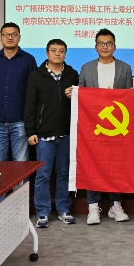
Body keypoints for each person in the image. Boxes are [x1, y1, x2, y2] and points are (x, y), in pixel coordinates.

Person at [74, 28, 133, 225]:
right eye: (101, 43)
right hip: (93, 126)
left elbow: (129, 98)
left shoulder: (125, 68)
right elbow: (81, 95)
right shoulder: (86, 68)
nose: (105, 47)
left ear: (115, 47)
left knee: (117, 166)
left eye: (109, 44)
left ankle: (116, 206)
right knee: (92, 165)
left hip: (118, 127)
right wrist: (73, 94)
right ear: (95, 47)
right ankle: (93, 207)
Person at [25, 39, 79, 228]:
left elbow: (81, 101)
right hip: (44, 136)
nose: (58, 53)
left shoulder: (72, 74)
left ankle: (64, 209)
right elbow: (30, 105)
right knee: (43, 175)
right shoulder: (36, 75)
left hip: (66, 134)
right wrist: (30, 131)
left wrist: (75, 95)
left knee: (63, 173)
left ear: (65, 54)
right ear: (47, 53)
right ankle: (42, 212)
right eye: (54, 50)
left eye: (61, 50)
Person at [0, 22, 38, 163]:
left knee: (21, 165)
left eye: (14, 34)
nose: (10, 37)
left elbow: (34, 92)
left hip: (21, 121)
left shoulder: (29, 60)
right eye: (6, 34)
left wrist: (31, 122)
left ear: (19, 37)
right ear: (1, 37)